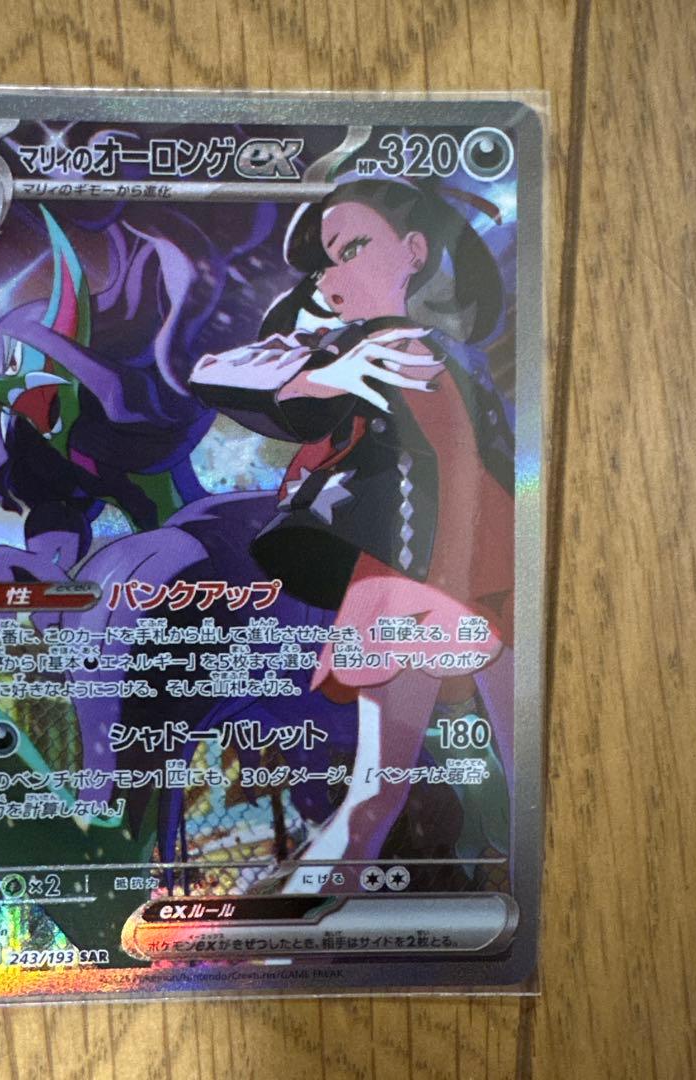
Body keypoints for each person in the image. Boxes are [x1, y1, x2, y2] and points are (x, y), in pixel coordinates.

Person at [190, 179, 516, 879]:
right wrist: (326, 375)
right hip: (406, 587)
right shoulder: (345, 354)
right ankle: (304, 914)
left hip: (492, 575)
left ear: (414, 250)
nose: (333, 277)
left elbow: (487, 467)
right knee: (374, 799)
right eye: (323, 265)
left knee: (529, 777)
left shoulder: (455, 355)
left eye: (353, 248)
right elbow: (213, 369)